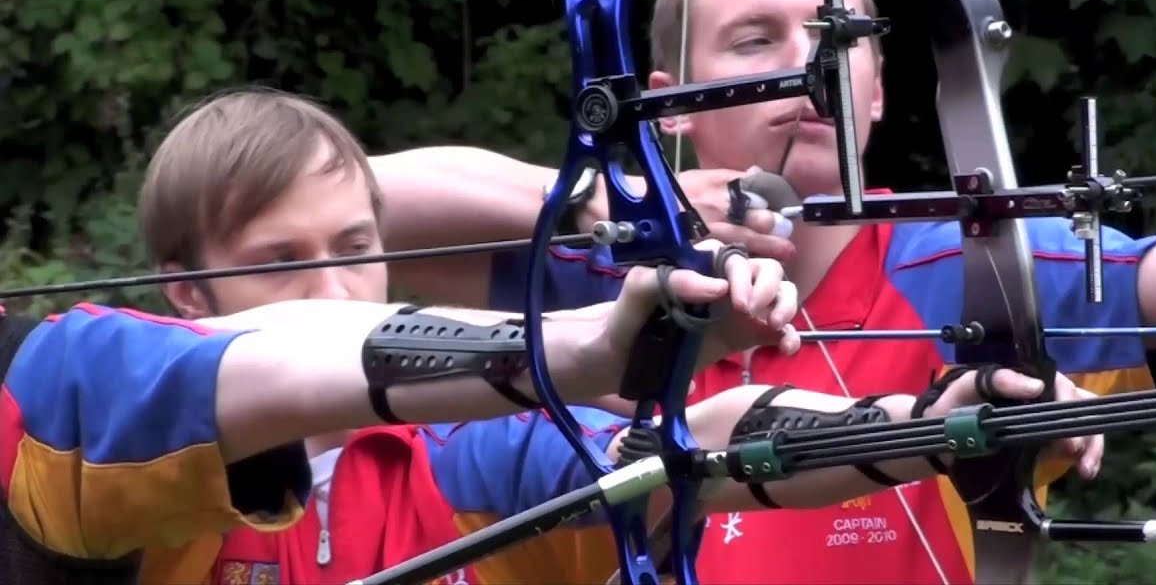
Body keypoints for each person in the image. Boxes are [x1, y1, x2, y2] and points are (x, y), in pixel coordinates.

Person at [358, 0, 1156, 585]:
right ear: (666, 101)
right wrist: (600, 194)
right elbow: (309, 223)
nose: (810, 67)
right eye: (755, 41)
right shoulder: (584, 273)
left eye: (838, 38)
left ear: (877, 90)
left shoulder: (981, 261)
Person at [83, 90, 1100, 585]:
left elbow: (701, 440)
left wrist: (931, 423)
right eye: (276, 259)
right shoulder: (119, 442)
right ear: (183, 293)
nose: (330, 285)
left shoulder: (459, 452)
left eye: (356, 244)